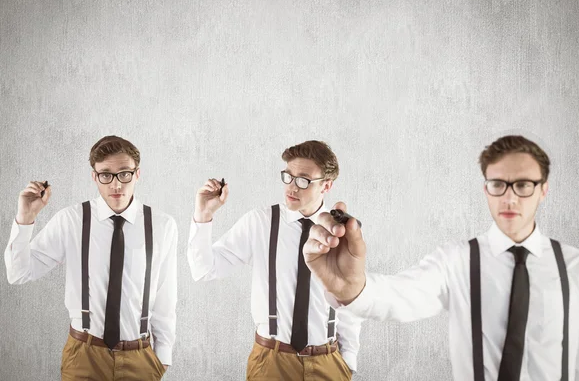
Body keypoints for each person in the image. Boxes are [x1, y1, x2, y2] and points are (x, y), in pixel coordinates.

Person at [304, 135, 579, 380]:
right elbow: (403, 296)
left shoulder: (574, 265)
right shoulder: (458, 260)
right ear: (486, 190)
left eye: (523, 185)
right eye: (498, 184)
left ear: (543, 190)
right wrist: (352, 288)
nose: (509, 198)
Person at [5, 135, 177, 381]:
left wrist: (163, 356)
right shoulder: (71, 220)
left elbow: (165, 295)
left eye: (124, 173)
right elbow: (18, 273)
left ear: (137, 174)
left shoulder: (162, 225)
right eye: (106, 175)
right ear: (94, 176)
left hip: (140, 357)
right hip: (83, 356)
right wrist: (25, 218)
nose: (116, 185)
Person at [188, 140, 361, 380]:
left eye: (303, 180)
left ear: (327, 185)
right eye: (288, 177)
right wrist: (203, 215)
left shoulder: (340, 233)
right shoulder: (260, 222)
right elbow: (204, 270)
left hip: (327, 362)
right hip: (271, 362)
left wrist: (348, 361)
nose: (292, 187)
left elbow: (350, 301)